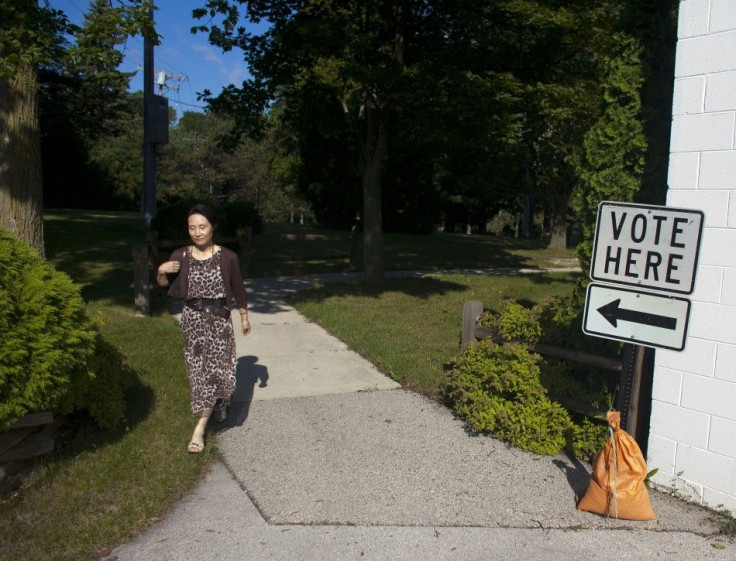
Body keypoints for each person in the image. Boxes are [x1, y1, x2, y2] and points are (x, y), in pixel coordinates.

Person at [156, 204, 251, 453]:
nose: (197, 232)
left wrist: (243, 316)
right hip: (193, 322)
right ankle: (213, 410)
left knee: (218, 370)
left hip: (219, 321)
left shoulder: (228, 256)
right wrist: (160, 272)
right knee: (199, 372)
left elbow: (238, 287)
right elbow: (165, 287)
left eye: (202, 226)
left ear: (212, 227)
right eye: (192, 228)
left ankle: (200, 428)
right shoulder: (181, 255)